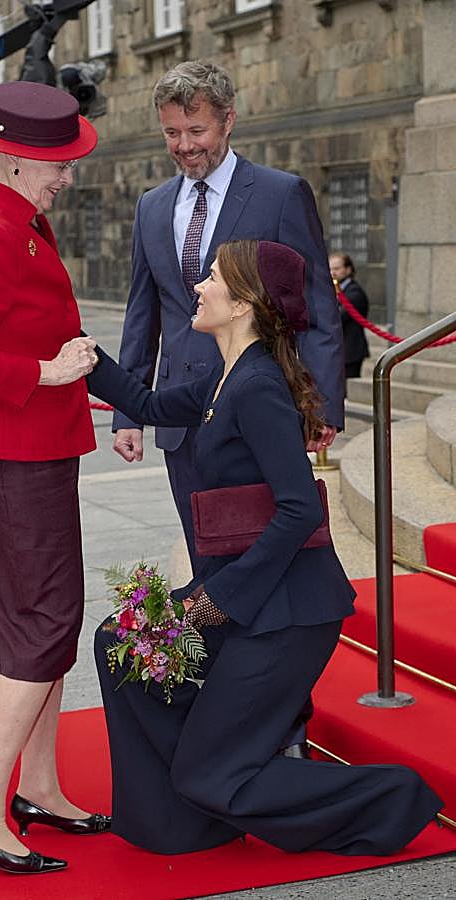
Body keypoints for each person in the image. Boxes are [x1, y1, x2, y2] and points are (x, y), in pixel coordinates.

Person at [87, 238, 442, 857]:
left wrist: (219, 598)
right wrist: (80, 350)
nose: (197, 286)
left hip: (287, 615)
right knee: (118, 642)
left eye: (213, 278)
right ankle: (181, 815)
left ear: (245, 301)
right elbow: (143, 402)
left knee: (211, 773)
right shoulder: (219, 380)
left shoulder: (256, 388)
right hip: (248, 595)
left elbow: (300, 507)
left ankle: (393, 799)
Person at [0, 81, 110, 876]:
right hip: (10, 455)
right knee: (39, 624)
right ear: (8, 160)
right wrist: (44, 371)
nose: (67, 174)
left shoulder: (19, 217)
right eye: (56, 163)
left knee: (42, 621)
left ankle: (37, 786)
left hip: (29, 451)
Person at [112, 60, 344, 580]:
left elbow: (317, 307)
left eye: (197, 130)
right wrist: (128, 413)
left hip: (260, 409)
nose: (184, 145)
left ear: (228, 121)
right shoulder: (151, 207)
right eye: (172, 132)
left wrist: (321, 405)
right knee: (204, 555)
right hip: (180, 422)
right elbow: (141, 314)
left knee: (267, 552)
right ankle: (211, 654)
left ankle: (267, 652)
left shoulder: (280, 193)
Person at [329, 252, 370, 380]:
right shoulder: (335, 289)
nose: (332, 273)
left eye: (336, 268)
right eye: (330, 269)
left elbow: (338, 317)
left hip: (350, 351)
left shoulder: (354, 292)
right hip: (339, 350)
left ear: (348, 269)